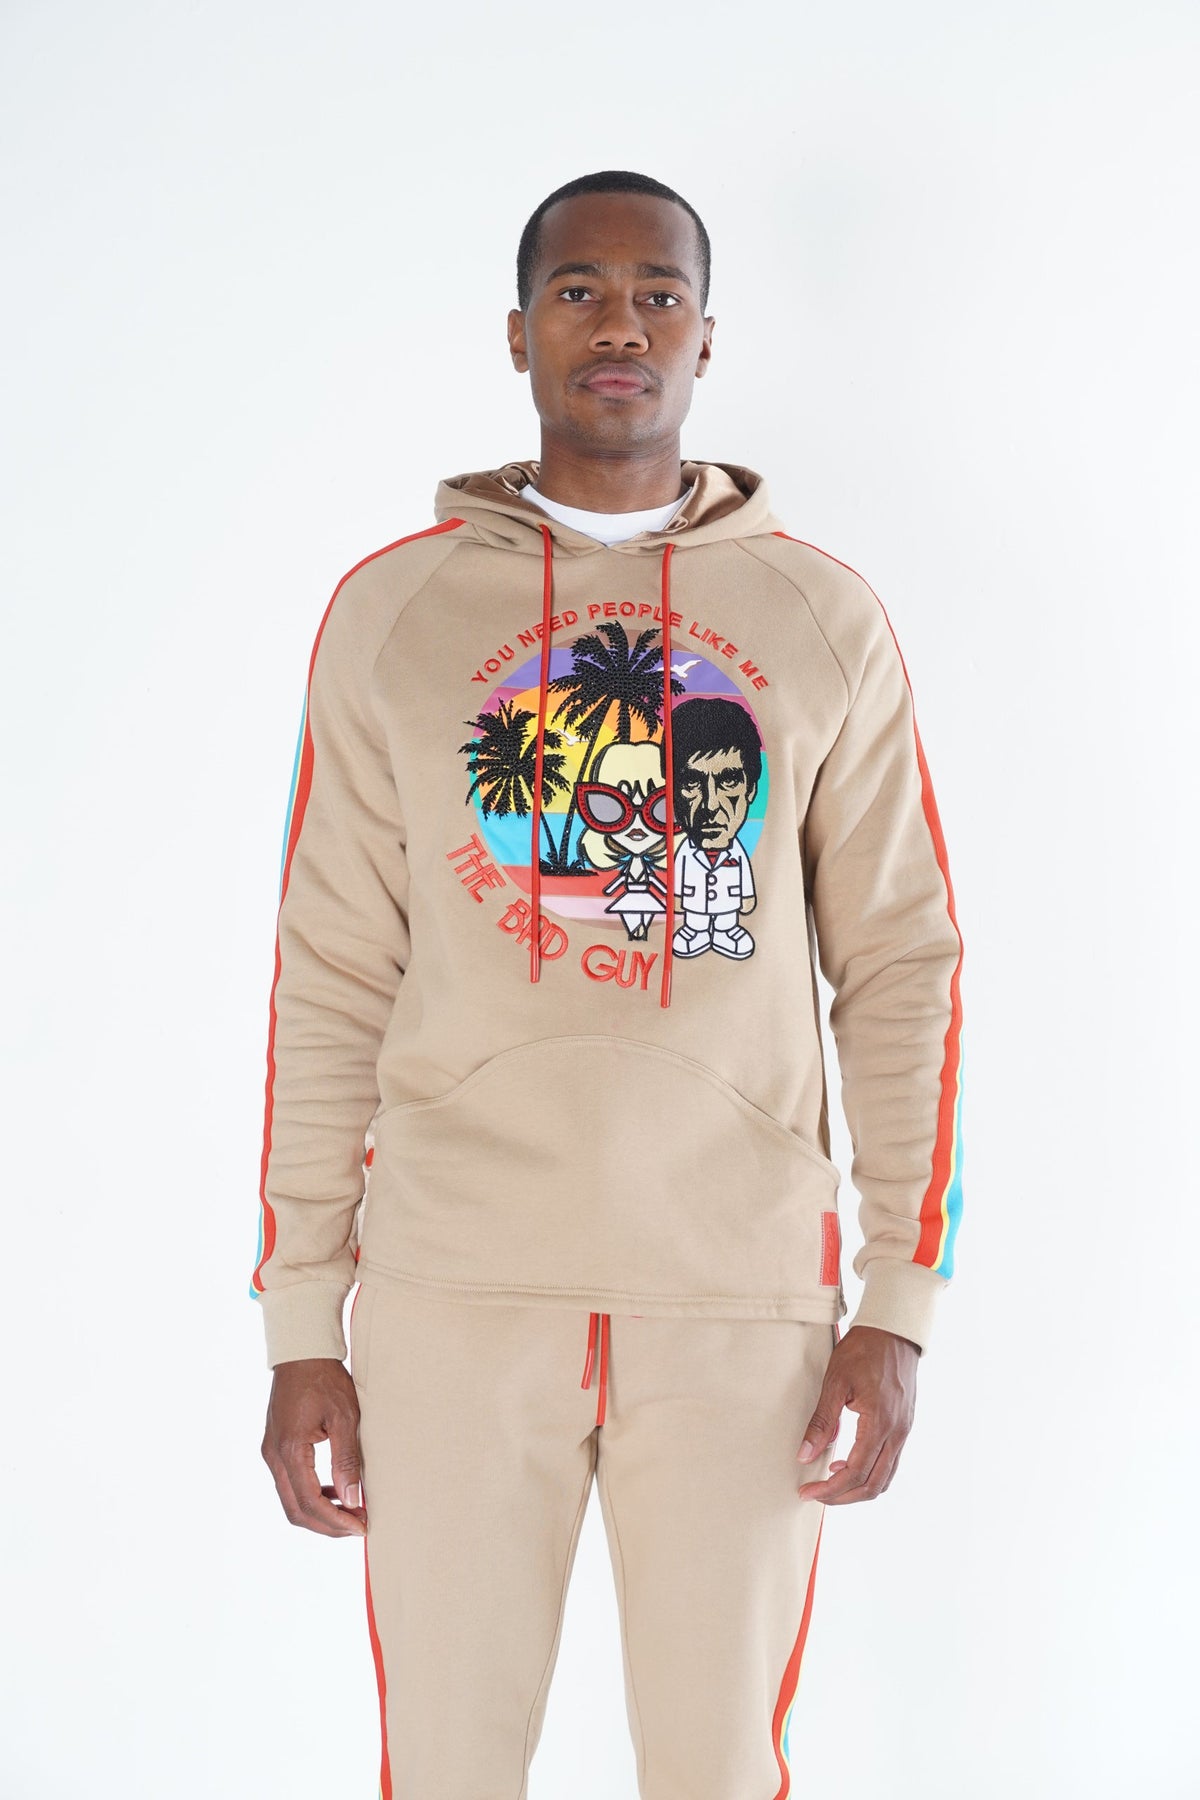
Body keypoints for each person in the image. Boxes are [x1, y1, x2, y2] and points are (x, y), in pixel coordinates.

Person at [253, 168, 964, 1799]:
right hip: (452, 1294)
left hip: (739, 1302)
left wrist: (896, 1305)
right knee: (446, 1770)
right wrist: (302, 1320)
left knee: (717, 1771)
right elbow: (330, 971)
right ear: (518, 333)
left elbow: (903, 966)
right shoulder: (394, 615)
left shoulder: (821, 618)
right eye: (579, 291)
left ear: (708, 337)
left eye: (659, 294)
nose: (620, 325)